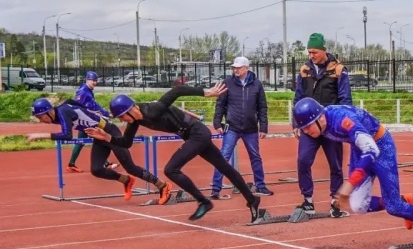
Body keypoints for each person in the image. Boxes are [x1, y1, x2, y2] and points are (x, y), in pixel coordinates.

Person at [84, 83, 261, 222]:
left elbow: (178, 90)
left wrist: (206, 92)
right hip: (191, 135)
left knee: (171, 169)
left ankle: (203, 201)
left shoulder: (153, 109)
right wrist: (106, 137)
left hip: (197, 133)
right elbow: (126, 143)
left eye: (122, 116)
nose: (122, 120)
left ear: (130, 110)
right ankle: (252, 200)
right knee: (223, 167)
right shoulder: (135, 121)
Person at [293, 97, 413, 249]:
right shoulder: (320, 122)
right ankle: (403, 202)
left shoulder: (343, 119)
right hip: (360, 150)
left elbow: (372, 149)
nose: (306, 132)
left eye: (307, 127)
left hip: (381, 147)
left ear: (320, 118)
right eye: (303, 129)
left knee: (393, 207)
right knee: (358, 206)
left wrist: (351, 182)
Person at [27, 97, 171, 204]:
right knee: (96, 170)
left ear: (48, 112)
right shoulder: (58, 112)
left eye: (40, 117)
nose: (40, 120)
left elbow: (67, 135)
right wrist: (90, 111)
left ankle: (162, 185)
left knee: (130, 167)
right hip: (98, 136)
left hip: (110, 132)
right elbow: (71, 101)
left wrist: (40, 135)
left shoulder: (63, 111)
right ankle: (126, 180)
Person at [292, 33, 353, 217]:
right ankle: (307, 200)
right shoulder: (304, 70)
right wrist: (296, 123)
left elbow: (345, 100)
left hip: (331, 126)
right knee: (303, 161)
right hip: (308, 125)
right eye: (309, 52)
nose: (311, 55)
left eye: (315, 52)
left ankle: (335, 202)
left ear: (324, 50)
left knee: (335, 165)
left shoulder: (339, 70)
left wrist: (343, 124)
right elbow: (298, 97)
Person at [210, 56, 273, 198]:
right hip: (232, 127)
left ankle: (260, 186)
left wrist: (263, 126)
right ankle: (215, 189)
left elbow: (262, 106)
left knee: (255, 157)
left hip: (251, 129)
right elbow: (220, 104)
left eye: (238, 67)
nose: (236, 70)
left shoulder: (257, 84)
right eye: (234, 67)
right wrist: (217, 122)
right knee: (223, 157)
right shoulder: (227, 83)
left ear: (247, 68)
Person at [66, 70, 117, 172]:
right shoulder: (83, 92)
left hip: (85, 120)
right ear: (86, 80)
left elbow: (94, 106)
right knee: (99, 138)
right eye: (93, 80)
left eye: (96, 80)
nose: (95, 82)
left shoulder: (87, 91)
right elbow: (79, 105)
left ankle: (71, 164)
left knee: (81, 142)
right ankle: (105, 163)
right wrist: (106, 114)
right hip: (86, 121)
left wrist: (104, 113)